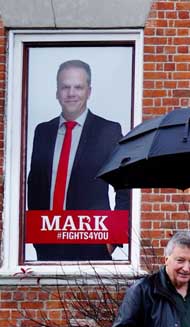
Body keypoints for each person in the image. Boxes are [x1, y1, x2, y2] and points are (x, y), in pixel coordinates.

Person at [26, 59, 130, 262]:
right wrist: (37, 235)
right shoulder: (43, 131)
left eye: (78, 87)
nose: (71, 93)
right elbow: (34, 185)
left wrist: (114, 238)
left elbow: (124, 187)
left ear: (89, 91)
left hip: (92, 243)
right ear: (57, 92)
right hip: (49, 240)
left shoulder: (108, 131)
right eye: (65, 87)